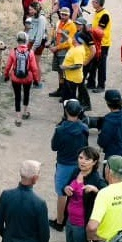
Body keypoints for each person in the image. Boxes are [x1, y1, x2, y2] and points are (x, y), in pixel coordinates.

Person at [59, 146, 106, 242]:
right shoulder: (75, 171)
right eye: (81, 158)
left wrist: (96, 190)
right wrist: (66, 189)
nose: (83, 162)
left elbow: (106, 194)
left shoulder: (96, 178)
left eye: (87, 159)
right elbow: (64, 187)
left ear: (94, 162)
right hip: (70, 220)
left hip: (82, 223)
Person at [51, 99, 89, 230]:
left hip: (63, 164)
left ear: (65, 111)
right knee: (76, 191)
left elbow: (54, 147)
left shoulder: (60, 130)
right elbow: (85, 146)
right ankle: (73, 218)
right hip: (79, 164)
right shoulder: (84, 128)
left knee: (62, 193)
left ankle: (60, 221)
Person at [3, 31, 39, 126]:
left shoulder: (13, 52)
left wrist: (6, 75)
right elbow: (34, 68)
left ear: (17, 40)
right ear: (26, 40)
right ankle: (25, 112)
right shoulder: (30, 52)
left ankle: (18, 118)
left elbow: (7, 66)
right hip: (28, 78)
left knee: (17, 96)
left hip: (15, 78)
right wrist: (36, 80)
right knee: (26, 94)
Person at [96, 90, 122, 164]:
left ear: (107, 103)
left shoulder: (108, 120)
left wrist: (100, 134)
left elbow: (103, 141)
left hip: (112, 155)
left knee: (109, 175)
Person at [48, 7, 76, 98]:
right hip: (57, 52)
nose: (63, 16)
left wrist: (57, 47)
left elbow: (70, 41)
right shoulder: (58, 22)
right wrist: (50, 41)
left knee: (65, 73)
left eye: (65, 14)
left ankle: (65, 93)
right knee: (59, 72)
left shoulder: (72, 26)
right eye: (62, 14)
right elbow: (54, 34)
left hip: (65, 52)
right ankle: (60, 90)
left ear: (69, 15)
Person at [61, 31, 92, 110]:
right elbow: (69, 39)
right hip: (69, 77)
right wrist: (62, 32)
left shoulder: (78, 51)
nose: (73, 39)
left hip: (73, 79)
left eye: (74, 38)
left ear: (79, 40)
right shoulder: (74, 45)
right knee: (68, 96)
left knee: (71, 98)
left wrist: (66, 67)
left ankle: (73, 113)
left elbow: (78, 65)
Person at [88, 0, 112, 93]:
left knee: (101, 65)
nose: (92, 3)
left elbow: (99, 30)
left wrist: (89, 30)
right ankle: (91, 82)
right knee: (93, 63)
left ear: (98, 3)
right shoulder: (97, 12)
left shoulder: (104, 15)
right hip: (96, 42)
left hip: (103, 44)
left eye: (93, 1)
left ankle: (101, 85)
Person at [25, 3, 49, 88]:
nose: (29, 11)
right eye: (29, 9)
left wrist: (34, 48)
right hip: (31, 41)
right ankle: (31, 79)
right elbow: (30, 31)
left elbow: (39, 34)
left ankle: (37, 82)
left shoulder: (41, 19)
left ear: (36, 10)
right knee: (30, 62)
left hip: (39, 43)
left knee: (35, 63)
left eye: (31, 9)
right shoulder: (31, 18)